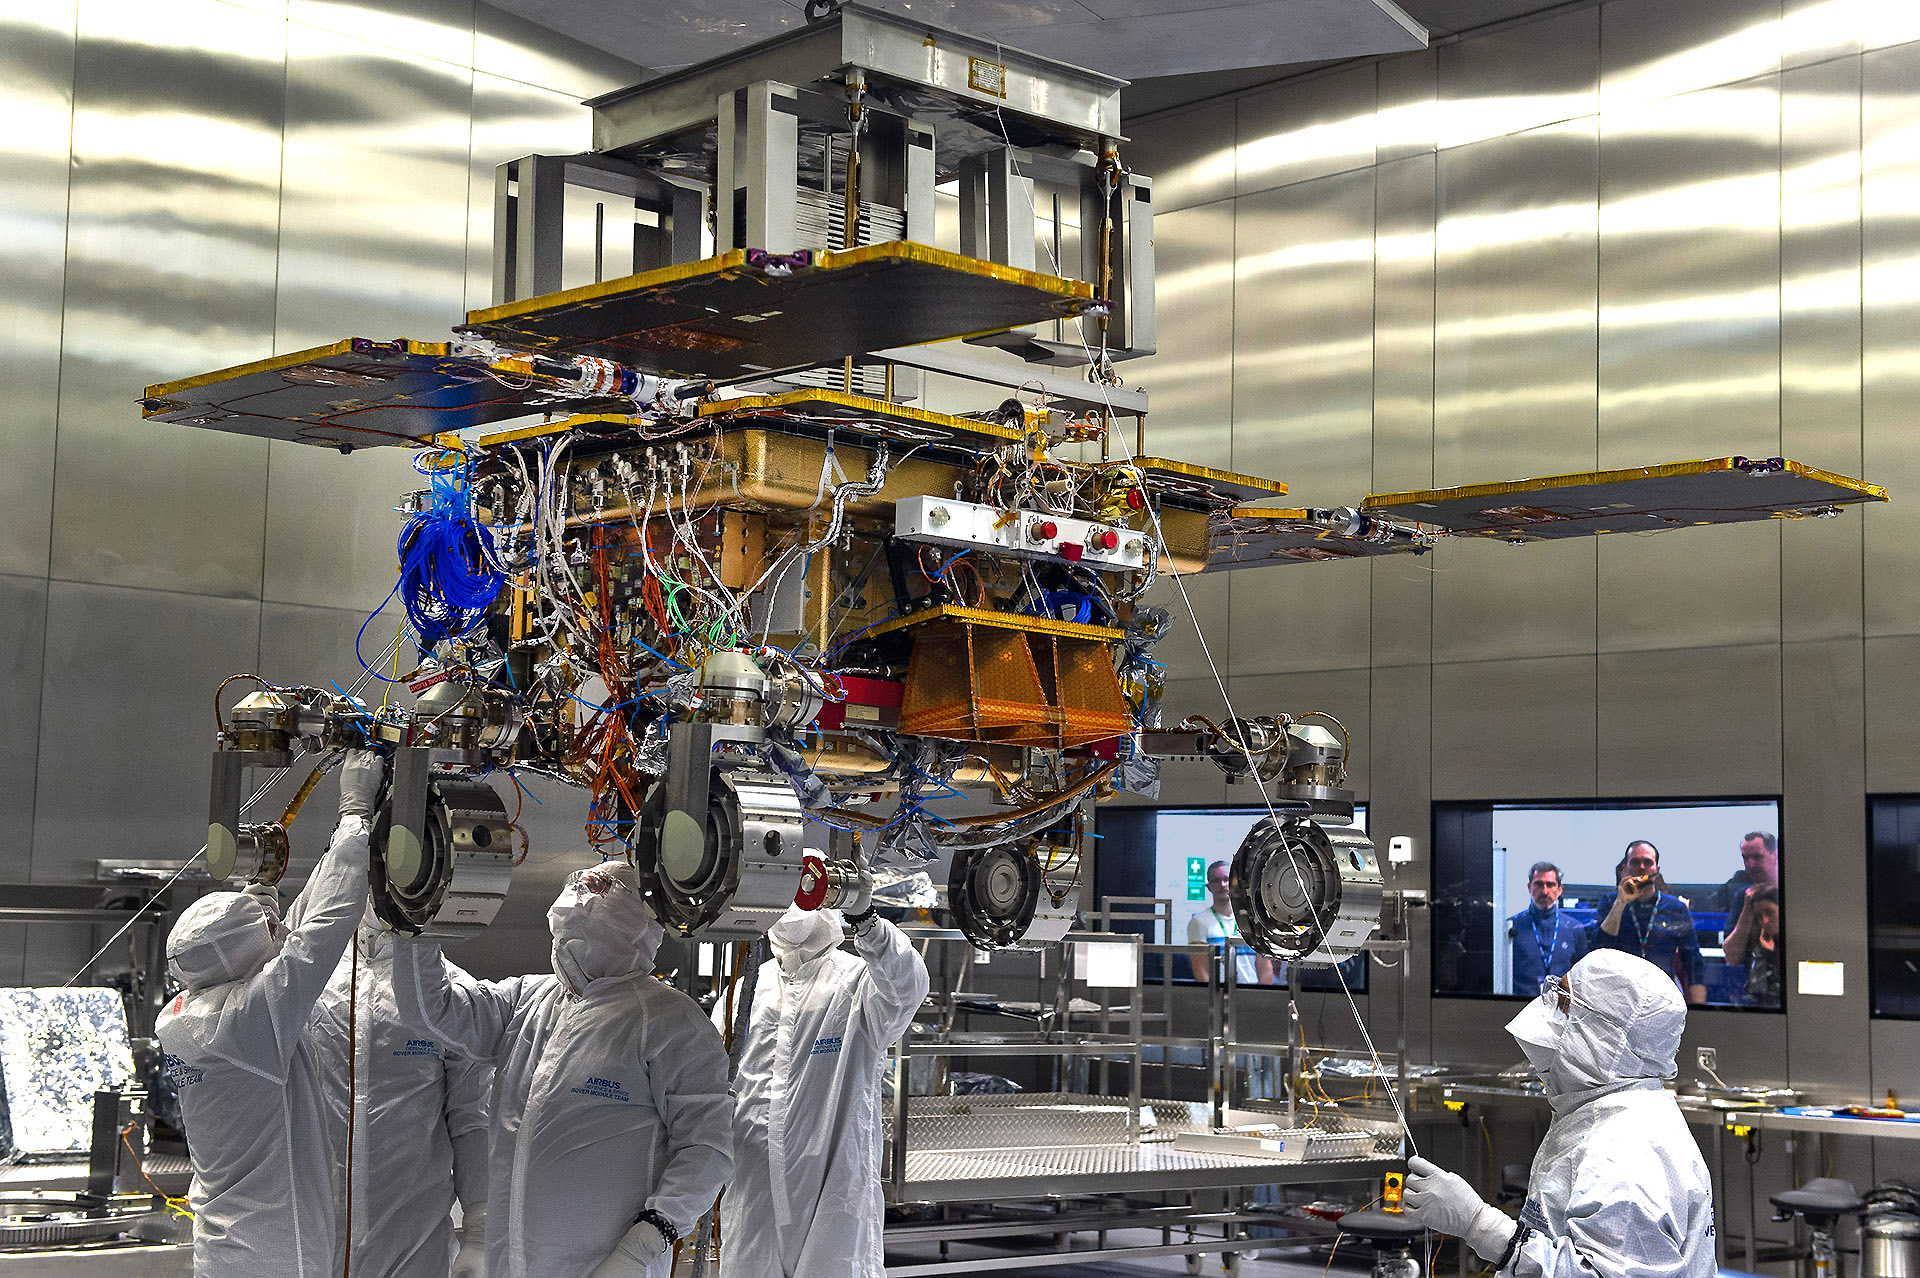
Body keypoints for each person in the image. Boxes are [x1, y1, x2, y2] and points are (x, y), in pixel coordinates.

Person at [391, 860, 733, 1278]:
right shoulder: (527, 1000)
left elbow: (707, 1148)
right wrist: (416, 922)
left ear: (636, 920)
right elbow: (430, 1011)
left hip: (604, 1267)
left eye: (600, 889)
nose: (582, 894)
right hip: (510, 1264)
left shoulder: (669, 1021)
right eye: (580, 885)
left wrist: (642, 1247)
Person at [156, 749, 386, 1277]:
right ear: (240, 963)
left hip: (232, 1247)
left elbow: (291, 943)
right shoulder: (243, 1025)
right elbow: (326, 928)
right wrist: (354, 812)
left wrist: (258, 912)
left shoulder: (186, 1015)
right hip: (274, 1254)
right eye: (266, 934)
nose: (277, 934)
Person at [1400, 950, 1716, 1278]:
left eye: (1562, 1001)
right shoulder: (1615, 1113)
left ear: (1606, 1035)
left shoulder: (1625, 1152)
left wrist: (1481, 1225)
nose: (1548, 1011)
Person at [719, 869, 930, 1277]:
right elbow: (715, 1084)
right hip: (752, 1200)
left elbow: (908, 986)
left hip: (831, 1198)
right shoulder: (746, 993)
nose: (794, 905)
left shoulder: (858, 983)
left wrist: (866, 922)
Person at [309, 905, 494, 1277]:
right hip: (310, 1233)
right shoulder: (310, 979)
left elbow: (472, 1119)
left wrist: (479, 1228)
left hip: (414, 1241)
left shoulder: (447, 995)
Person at [1590, 841, 1706, 1005]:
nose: (1642, 867)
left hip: (1661, 996)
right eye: (1635, 862)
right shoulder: (1610, 902)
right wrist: (1621, 901)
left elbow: (1693, 961)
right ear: (1626, 867)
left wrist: (1699, 1009)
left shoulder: (1675, 908)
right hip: (1619, 997)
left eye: (1648, 862)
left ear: (1657, 870)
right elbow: (1600, 946)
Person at [1185, 860, 1274, 984]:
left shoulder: (1254, 921)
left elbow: (1265, 971)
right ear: (1208, 887)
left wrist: (1259, 999)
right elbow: (1201, 972)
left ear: (1235, 883)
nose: (1222, 884)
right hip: (1217, 997)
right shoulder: (1198, 922)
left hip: (1251, 996)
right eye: (1216, 880)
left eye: (1226, 879)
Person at [1508, 862, 1588, 996]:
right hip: (1520, 1006)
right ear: (1529, 887)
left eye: (1550, 885)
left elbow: (1582, 978)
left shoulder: (1575, 929)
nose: (1545, 891)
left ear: (1560, 889)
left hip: (1562, 1009)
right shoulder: (1512, 926)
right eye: (1539, 884)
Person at [1720, 832, 1780, 991]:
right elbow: (1731, 957)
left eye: (1757, 857)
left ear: (1775, 855)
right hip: (1756, 992)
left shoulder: (1791, 892)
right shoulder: (1742, 897)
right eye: (1745, 858)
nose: (1750, 864)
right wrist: (1748, 910)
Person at [1728, 886, 1782, 1007]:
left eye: (1769, 912)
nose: (1765, 920)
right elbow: (1757, 989)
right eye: (1759, 916)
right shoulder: (1761, 945)